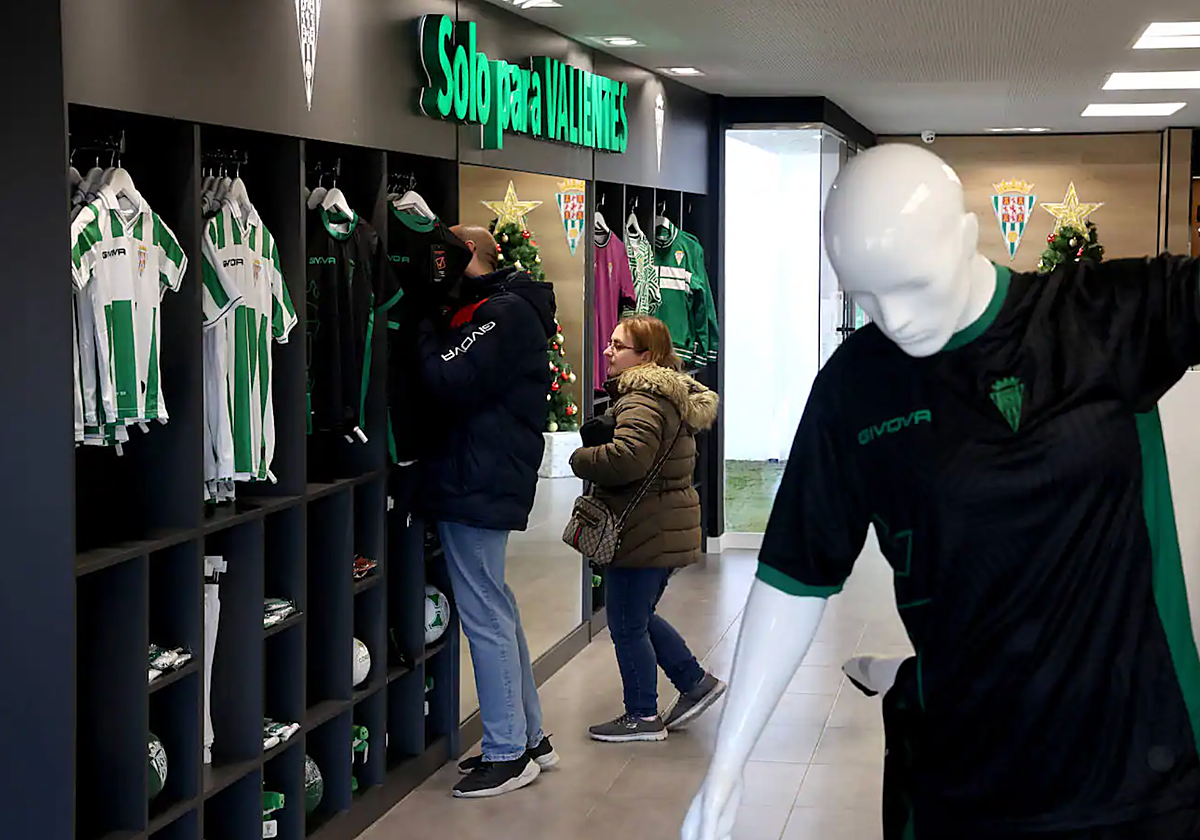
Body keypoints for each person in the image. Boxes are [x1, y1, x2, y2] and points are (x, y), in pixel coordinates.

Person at [684, 144, 1200, 840]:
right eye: (866, 297)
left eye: (912, 286)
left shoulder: (1100, 318)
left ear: (965, 238)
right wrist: (729, 762)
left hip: (1139, 771)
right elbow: (795, 577)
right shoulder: (856, 387)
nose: (894, 318)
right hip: (959, 780)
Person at [414, 224, 559, 798]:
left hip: (477, 479)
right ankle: (529, 739)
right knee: (495, 604)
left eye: (445, 250)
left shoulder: (504, 311)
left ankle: (507, 752)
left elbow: (447, 376)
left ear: (467, 252)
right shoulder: (501, 305)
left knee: (484, 612)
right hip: (477, 475)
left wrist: (424, 320)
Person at [570, 315, 724, 742]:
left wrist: (581, 458)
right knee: (636, 615)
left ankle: (642, 715)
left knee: (626, 623)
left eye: (618, 346)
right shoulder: (664, 396)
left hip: (643, 528)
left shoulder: (641, 400)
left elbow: (628, 460)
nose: (608, 351)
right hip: (659, 524)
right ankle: (694, 682)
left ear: (646, 356)